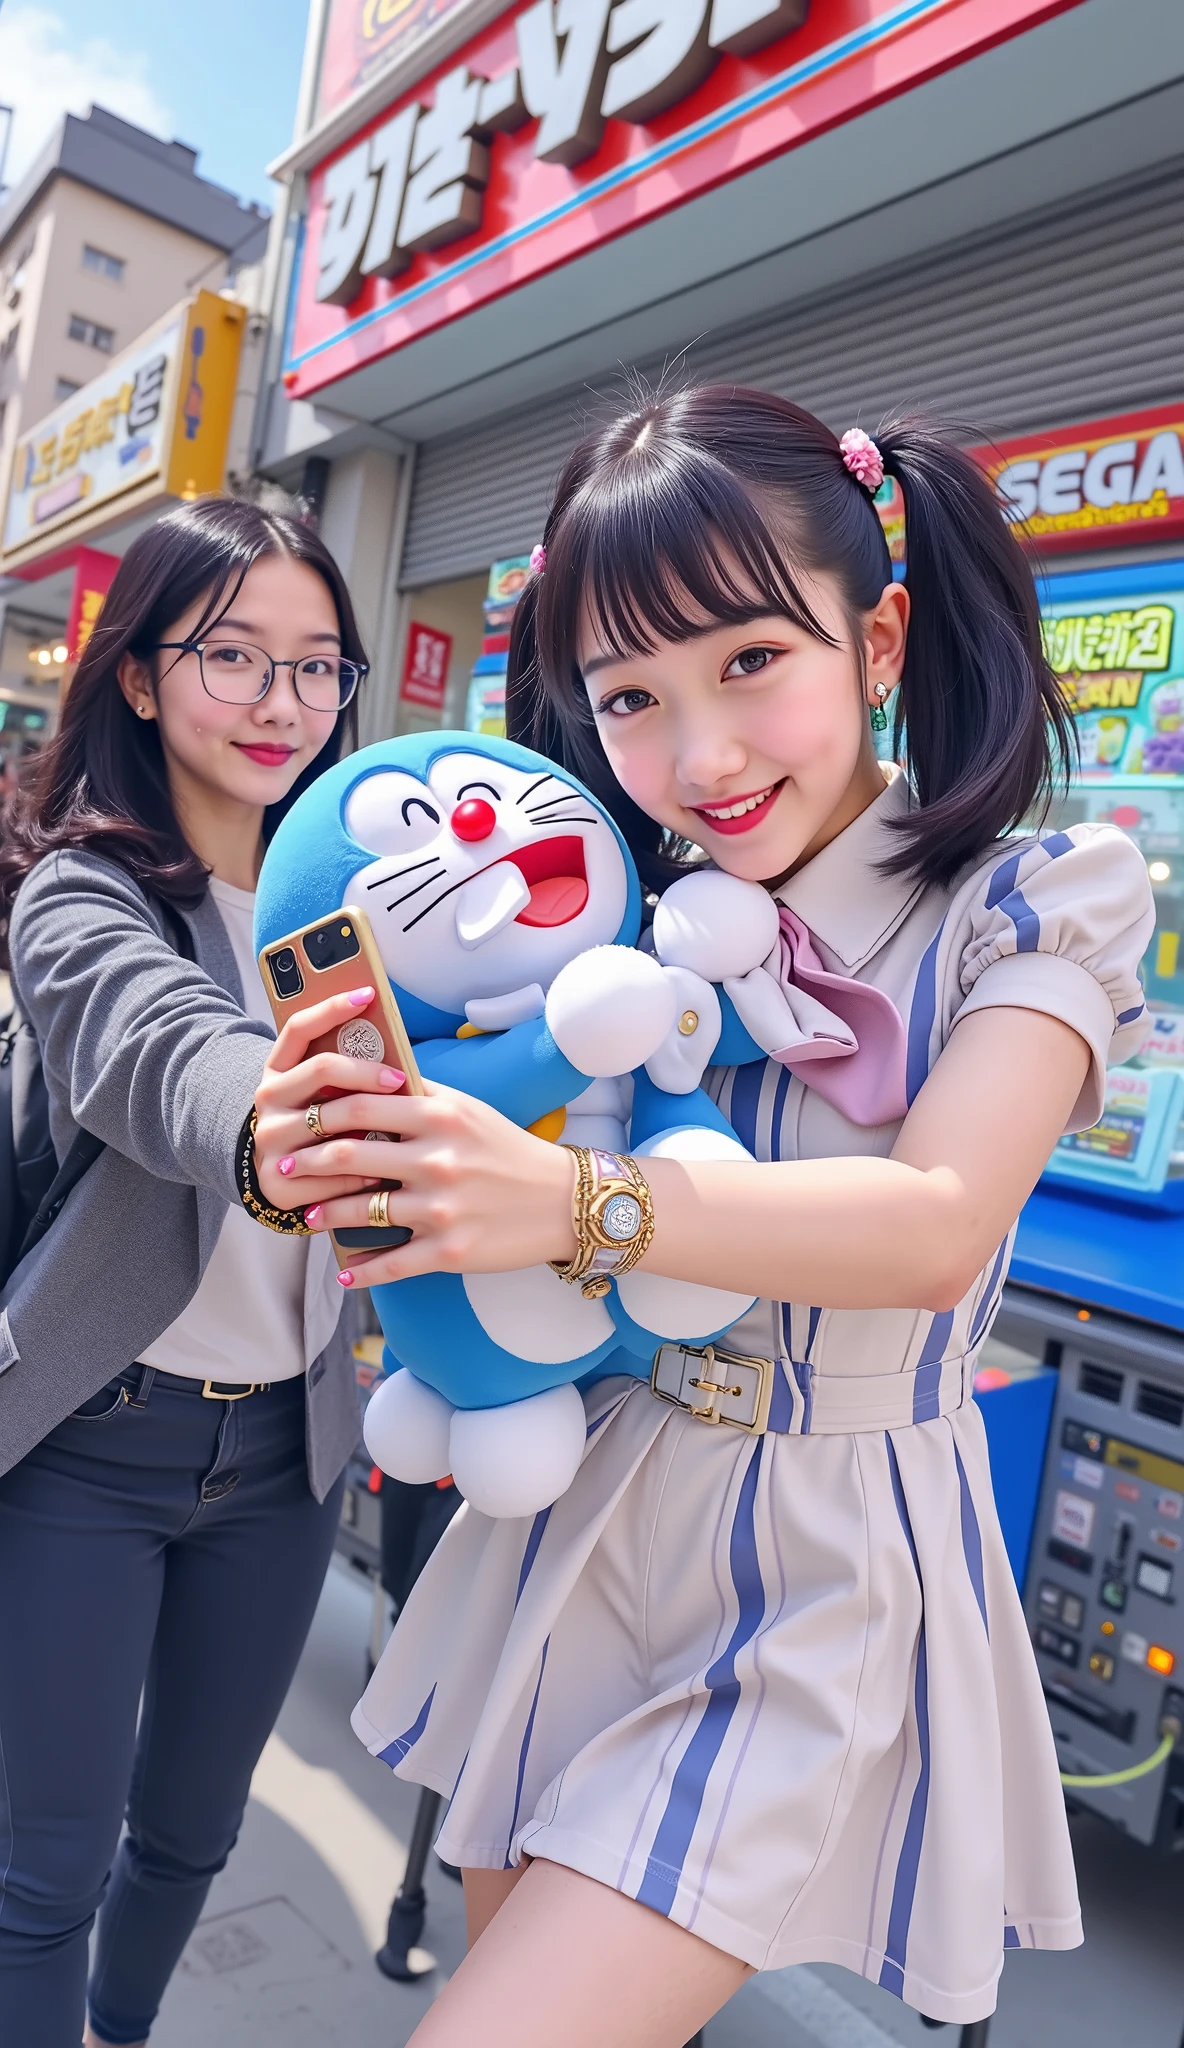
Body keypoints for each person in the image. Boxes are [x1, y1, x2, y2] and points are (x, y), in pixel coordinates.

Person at [252, 388, 1155, 2048]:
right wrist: (317, 1152)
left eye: (753, 661)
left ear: (878, 636)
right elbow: (440, 1088)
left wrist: (572, 1202)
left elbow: (938, 1219)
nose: (703, 754)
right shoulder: (627, 915)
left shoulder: (1033, 897)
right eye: (632, 699)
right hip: (593, 1500)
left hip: (822, 1553)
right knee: (496, 1975)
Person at [0, 496, 382, 2048]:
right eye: (234, 657)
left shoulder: (364, 904)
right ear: (141, 676)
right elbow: (164, 1050)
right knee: (40, 1873)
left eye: (315, 665)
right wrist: (273, 1120)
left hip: (289, 1454)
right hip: (94, 1442)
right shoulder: (80, 893)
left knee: (193, 1839)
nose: (282, 701)